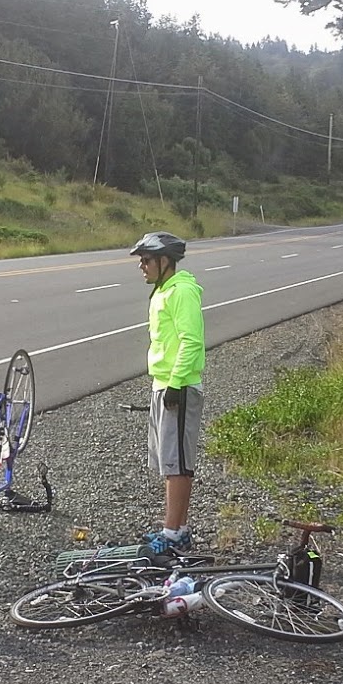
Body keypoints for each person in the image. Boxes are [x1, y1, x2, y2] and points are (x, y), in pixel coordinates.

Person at [130, 231, 204, 554]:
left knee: (177, 464)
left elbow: (191, 341)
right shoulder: (163, 291)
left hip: (180, 387)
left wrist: (175, 383)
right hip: (164, 384)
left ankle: (172, 534)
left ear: (165, 261)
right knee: (170, 462)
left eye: (146, 260)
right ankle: (178, 529)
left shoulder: (181, 292)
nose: (141, 266)